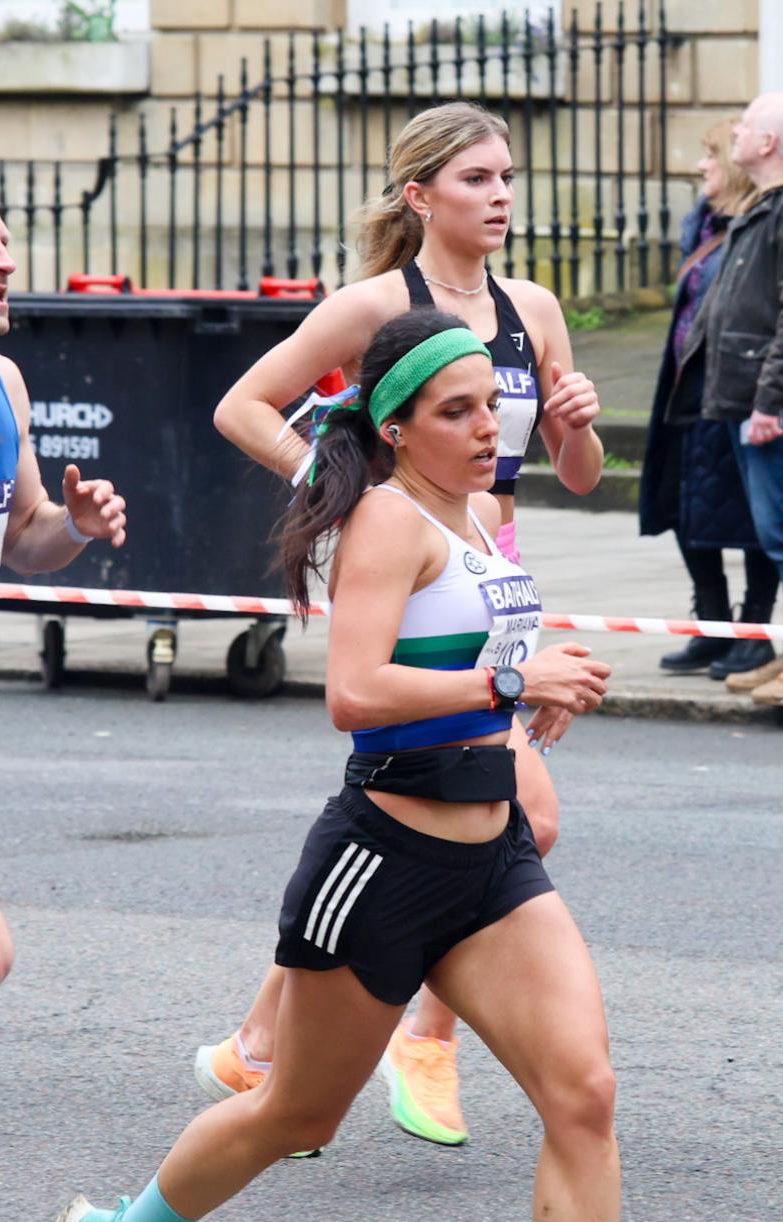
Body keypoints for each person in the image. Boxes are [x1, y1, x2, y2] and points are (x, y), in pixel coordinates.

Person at [51, 306, 639, 1222]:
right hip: (383, 864)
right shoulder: (385, 521)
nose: (483, 426)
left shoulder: (466, 517)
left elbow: (456, 662)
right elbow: (355, 693)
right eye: (454, 412)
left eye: (489, 405)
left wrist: (524, 698)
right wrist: (511, 682)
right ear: (397, 427)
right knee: (296, 1111)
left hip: (492, 862)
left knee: (583, 1095)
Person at [201, 101, 604, 1147]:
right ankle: (423, 1037)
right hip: (415, 571)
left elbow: (573, 477)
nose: (502, 195)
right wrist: (344, 490)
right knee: (511, 812)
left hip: (498, 573)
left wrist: (572, 431)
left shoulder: (536, 309)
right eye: (476, 178)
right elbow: (244, 406)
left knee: (469, 812)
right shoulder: (376, 304)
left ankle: (259, 1040)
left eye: (507, 176)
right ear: (420, 195)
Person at [0, 184, 127, 1005]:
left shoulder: (4, 382)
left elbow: (24, 535)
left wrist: (75, 524)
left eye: (3, 239)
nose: (6, 259)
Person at [640, 119, 779, 678]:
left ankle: (754, 631)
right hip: (687, 388)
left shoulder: (756, 227)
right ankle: (713, 622)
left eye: (710, 158)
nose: (701, 168)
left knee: (751, 518)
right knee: (683, 507)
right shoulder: (704, 227)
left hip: (736, 393)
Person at [671, 93, 783, 705]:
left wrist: (768, 400)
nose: (736, 134)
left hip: (763, 404)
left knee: (777, 531)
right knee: (772, 532)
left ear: (767, 144)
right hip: (738, 399)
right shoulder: (761, 211)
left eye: (745, 126)